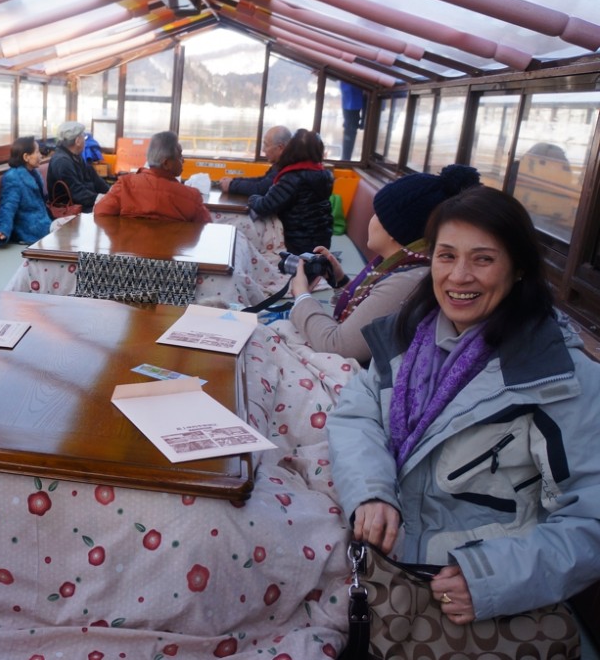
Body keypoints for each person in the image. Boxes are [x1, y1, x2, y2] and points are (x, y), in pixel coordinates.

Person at [328, 186, 600, 629]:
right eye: (447, 256)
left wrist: (492, 578)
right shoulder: (408, 336)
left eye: (483, 259)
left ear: (519, 270)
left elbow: (591, 517)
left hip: (456, 585)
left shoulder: (558, 378)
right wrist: (371, 491)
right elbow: (356, 414)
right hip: (377, 549)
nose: (459, 276)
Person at [289, 164, 481, 364]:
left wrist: (301, 295)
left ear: (393, 230)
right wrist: (341, 281)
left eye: (377, 214)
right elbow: (371, 311)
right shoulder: (398, 265)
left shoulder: (407, 281)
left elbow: (337, 346)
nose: (371, 220)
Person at [247, 129, 334, 255]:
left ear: (292, 148)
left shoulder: (293, 177)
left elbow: (265, 206)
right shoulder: (324, 175)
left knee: (250, 235)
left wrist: (252, 198)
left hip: (298, 243)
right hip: (322, 240)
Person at [94, 131, 212, 224]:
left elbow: (100, 212)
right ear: (166, 163)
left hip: (131, 247)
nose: (183, 160)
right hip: (170, 248)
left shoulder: (125, 185)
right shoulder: (191, 197)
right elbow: (206, 228)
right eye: (180, 156)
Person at [0, 136, 52, 245]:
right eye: (37, 152)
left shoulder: (34, 173)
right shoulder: (13, 177)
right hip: (29, 232)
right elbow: (8, 206)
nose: (41, 155)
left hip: (43, 225)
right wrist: (2, 230)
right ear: (26, 157)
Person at [46, 120, 110, 214]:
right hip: (71, 208)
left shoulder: (76, 156)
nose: (85, 140)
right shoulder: (62, 162)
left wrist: (112, 193)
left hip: (84, 203)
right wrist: (103, 199)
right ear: (78, 141)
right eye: (84, 137)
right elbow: (78, 194)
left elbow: (96, 180)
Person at [219, 125, 292, 196]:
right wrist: (233, 181)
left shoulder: (287, 169)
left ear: (280, 148)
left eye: (266, 145)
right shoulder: (280, 164)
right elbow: (261, 180)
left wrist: (231, 185)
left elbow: (261, 189)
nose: (263, 149)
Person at [340, 81, 366, 161]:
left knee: (349, 127)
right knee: (350, 127)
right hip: (352, 97)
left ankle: (345, 159)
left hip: (353, 97)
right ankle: (345, 159)